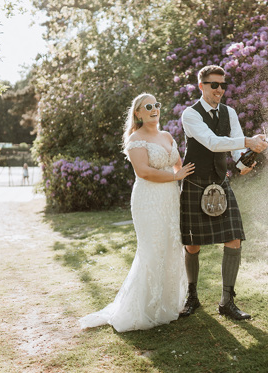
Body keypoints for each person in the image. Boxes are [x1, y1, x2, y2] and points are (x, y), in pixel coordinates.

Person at [79, 93, 195, 332]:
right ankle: (144, 309)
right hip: (148, 200)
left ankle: (165, 307)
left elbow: (179, 166)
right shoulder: (136, 139)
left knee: (171, 247)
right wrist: (175, 176)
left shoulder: (166, 136)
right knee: (152, 250)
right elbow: (143, 172)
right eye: (148, 106)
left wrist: (197, 177)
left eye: (156, 105)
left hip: (171, 200)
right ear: (138, 113)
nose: (154, 109)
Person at [179, 65, 268, 320]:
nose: (219, 90)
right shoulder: (190, 114)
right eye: (214, 85)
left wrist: (246, 159)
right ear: (201, 86)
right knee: (192, 244)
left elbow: (237, 149)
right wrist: (247, 142)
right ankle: (192, 297)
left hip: (220, 182)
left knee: (234, 238)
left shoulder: (229, 113)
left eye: (222, 85)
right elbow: (212, 142)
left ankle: (227, 302)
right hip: (196, 183)